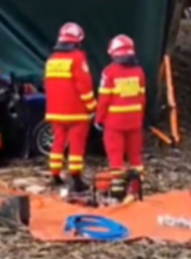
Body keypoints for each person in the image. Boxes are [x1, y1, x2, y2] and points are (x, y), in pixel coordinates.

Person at [44, 22, 96, 193]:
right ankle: (76, 178)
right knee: (76, 145)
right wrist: (92, 106)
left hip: (55, 112)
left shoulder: (51, 60)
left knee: (58, 142)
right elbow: (84, 85)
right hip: (76, 113)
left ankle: (55, 175)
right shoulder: (78, 58)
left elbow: (48, 86)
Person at [95, 35, 146, 202]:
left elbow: (104, 100)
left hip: (114, 123)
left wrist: (99, 119)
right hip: (135, 122)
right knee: (135, 156)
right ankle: (137, 188)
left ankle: (118, 190)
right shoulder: (139, 72)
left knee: (116, 156)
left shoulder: (109, 73)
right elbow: (142, 98)